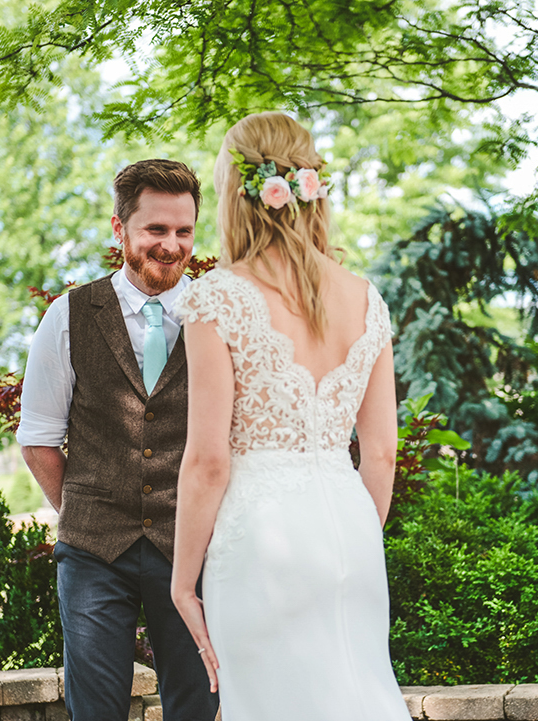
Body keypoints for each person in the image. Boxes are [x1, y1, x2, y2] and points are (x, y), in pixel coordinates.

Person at [171, 113, 411, 720]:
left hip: (260, 541)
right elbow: (381, 452)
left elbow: (206, 461)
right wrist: (358, 532)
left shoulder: (216, 296)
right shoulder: (365, 296)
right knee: (360, 699)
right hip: (351, 532)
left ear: (235, 192)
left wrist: (182, 580)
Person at [17, 159, 220, 721]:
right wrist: (86, 511)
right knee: (97, 711)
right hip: (93, 556)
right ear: (120, 230)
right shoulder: (69, 316)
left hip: (193, 546)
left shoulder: (218, 315)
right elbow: (37, 439)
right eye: (156, 230)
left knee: (198, 705)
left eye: (184, 231)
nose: (172, 245)